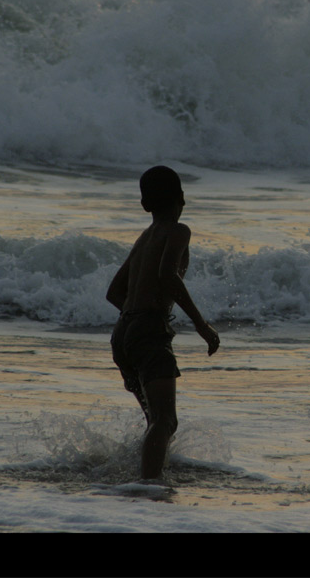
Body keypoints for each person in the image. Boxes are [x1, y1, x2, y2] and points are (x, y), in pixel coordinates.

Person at [106, 165, 221, 481]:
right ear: (182, 197)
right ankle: (149, 487)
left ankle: (147, 475)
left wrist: (135, 315)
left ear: (145, 205)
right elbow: (167, 275)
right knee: (165, 421)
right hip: (147, 332)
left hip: (122, 335)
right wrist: (200, 324)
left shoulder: (144, 238)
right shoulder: (178, 230)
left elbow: (114, 292)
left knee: (154, 420)